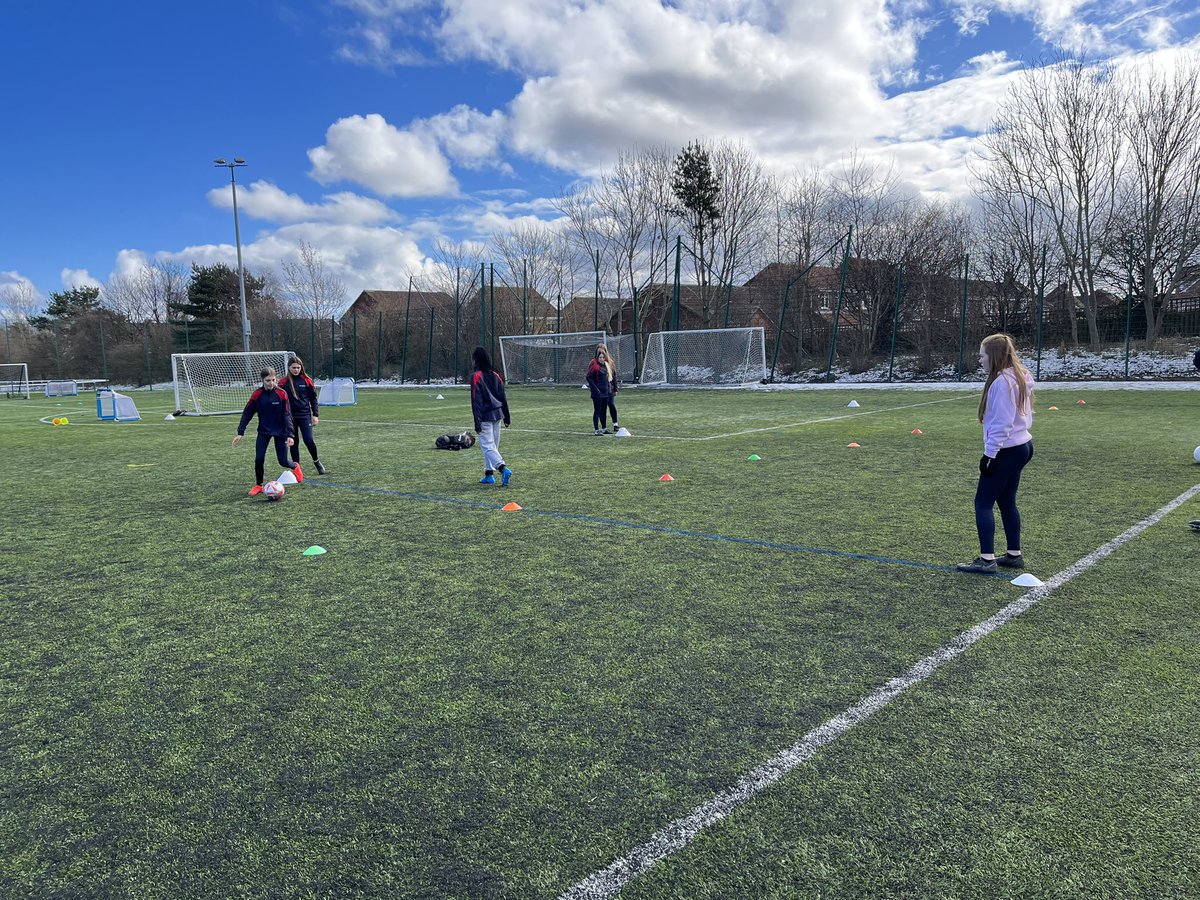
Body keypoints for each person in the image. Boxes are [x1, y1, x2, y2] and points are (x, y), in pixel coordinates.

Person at [957, 334, 1034, 574]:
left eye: (982, 356)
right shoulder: (1020, 376)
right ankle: (1013, 554)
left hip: (1007, 449)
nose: (980, 360)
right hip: (1022, 446)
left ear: (994, 356)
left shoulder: (1002, 382)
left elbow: (1003, 423)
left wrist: (990, 455)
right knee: (1006, 501)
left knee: (983, 502)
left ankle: (986, 559)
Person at [232, 367, 303, 496]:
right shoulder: (257, 395)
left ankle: (295, 466)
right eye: (268, 380)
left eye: (273, 380)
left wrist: (290, 434)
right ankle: (259, 485)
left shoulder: (282, 394)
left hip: (280, 432)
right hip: (264, 432)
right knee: (259, 459)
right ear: (262, 380)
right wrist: (240, 432)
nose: (271, 383)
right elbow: (247, 413)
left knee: (283, 461)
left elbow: (287, 415)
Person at [470, 347, 512, 485]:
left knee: (487, 446)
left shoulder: (476, 376)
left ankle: (502, 468)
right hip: (498, 414)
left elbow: (476, 401)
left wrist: (477, 422)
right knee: (493, 446)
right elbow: (503, 397)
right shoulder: (496, 375)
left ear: (476, 360)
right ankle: (489, 474)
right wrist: (507, 417)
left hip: (486, 416)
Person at [279, 355, 326, 475]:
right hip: (290, 418)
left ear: (301, 367)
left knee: (309, 440)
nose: (296, 370)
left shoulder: (307, 380)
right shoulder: (283, 383)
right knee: (294, 443)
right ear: (289, 368)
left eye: (298, 367)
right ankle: (297, 469)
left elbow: (313, 398)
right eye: (294, 367)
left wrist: (315, 415)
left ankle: (316, 461)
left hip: (305, 415)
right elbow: (279, 399)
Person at [586, 344, 620, 435]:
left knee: (608, 407)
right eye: (600, 356)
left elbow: (613, 376)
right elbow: (589, 377)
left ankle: (608, 426)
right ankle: (597, 429)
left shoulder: (608, 364)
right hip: (598, 392)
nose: (602, 358)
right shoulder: (594, 365)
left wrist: (614, 388)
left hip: (607, 391)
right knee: (598, 410)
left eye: (603, 357)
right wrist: (595, 389)